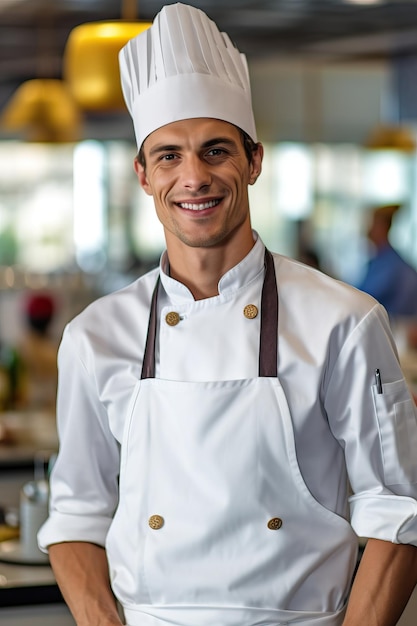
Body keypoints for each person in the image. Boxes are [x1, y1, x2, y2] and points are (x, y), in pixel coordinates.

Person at [38, 4, 417, 626]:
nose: (194, 177)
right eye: (168, 156)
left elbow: (397, 510)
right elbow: (77, 514)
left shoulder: (344, 322)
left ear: (254, 161)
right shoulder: (95, 336)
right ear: (142, 174)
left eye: (216, 150)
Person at [356, 203, 417, 317]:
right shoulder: (382, 260)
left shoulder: (390, 266)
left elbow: (362, 297)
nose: (367, 229)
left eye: (372, 223)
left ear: (382, 227)